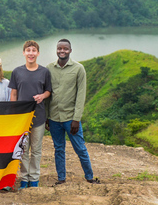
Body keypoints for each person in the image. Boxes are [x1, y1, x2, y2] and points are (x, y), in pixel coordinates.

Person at [46, 39, 100, 185]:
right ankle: (61, 178)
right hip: (54, 117)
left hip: (71, 118)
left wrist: (77, 118)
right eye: (59, 48)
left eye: (65, 49)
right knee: (59, 149)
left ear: (70, 50)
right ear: (56, 50)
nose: (62, 51)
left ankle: (89, 177)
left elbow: (81, 95)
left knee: (80, 148)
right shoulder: (49, 68)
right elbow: (47, 93)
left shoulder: (78, 69)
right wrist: (46, 117)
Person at [9, 40, 52, 188]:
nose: (31, 53)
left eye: (34, 50)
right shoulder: (17, 72)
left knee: (36, 150)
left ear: (38, 53)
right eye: (28, 50)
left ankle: (34, 179)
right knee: (23, 150)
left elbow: (48, 91)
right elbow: (13, 94)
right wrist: (14, 113)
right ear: (24, 53)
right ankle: (24, 178)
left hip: (39, 117)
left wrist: (42, 96)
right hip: (22, 118)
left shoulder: (44, 72)